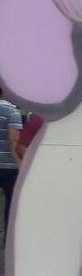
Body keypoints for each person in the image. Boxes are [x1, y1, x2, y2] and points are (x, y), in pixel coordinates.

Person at [0, 88, 22, 230]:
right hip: (8, 167)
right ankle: (8, 238)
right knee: (11, 202)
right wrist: (20, 164)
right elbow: (13, 140)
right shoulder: (12, 111)